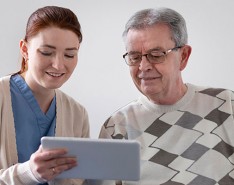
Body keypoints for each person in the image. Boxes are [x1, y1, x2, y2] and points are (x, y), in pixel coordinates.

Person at [98, 7, 234, 185]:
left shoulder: (226, 105)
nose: (143, 66)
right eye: (134, 57)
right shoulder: (116, 127)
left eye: (156, 55)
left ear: (183, 56)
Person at [0, 5, 90, 185]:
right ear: (25, 50)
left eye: (69, 55)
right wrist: (28, 173)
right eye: (47, 52)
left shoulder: (78, 114)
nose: (58, 65)